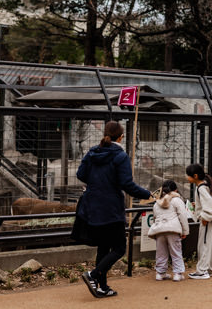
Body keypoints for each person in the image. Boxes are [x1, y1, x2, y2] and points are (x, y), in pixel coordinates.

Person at [77, 121, 151, 298]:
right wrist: (147, 193)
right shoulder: (120, 156)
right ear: (121, 136)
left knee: (103, 247)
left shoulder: (93, 152)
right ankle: (93, 276)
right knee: (119, 248)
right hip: (111, 207)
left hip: (93, 206)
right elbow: (126, 184)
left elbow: (80, 174)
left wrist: (96, 182)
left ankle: (101, 286)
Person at [148, 180, 190, 282]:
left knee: (161, 252)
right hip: (173, 229)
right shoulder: (177, 200)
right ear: (175, 189)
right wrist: (185, 231)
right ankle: (177, 273)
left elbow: (154, 217)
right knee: (176, 252)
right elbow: (183, 216)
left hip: (159, 230)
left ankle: (160, 273)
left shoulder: (157, 202)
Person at [185, 163, 212, 280]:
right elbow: (209, 201)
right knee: (211, 244)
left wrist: (205, 217)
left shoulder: (201, 187)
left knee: (204, 244)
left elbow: (208, 204)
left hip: (206, 220)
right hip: (211, 221)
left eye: (188, 175)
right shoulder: (206, 185)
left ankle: (202, 271)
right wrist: (198, 205)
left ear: (195, 176)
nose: (187, 177)